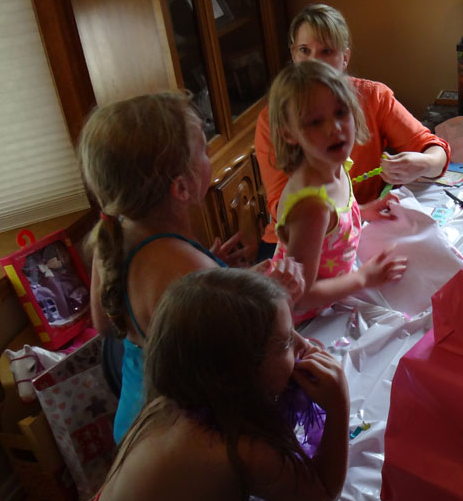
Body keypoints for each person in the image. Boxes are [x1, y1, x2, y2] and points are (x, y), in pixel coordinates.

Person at [78, 91, 304, 443]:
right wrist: (278, 296)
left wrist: (224, 278)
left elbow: (106, 324)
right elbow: (244, 358)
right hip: (177, 437)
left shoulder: (115, 231)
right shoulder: (184, 267)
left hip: (135, 423)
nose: (209, 155)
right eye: (203, 150)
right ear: (181, 188)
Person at [79, 268, 349, 501]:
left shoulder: (173, 400)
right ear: (237, 373)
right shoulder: (236, 449)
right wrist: (338, 403)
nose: (304, 345)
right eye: (285, 342)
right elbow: (324, 491)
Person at [255, 3, 450, 259]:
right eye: (304, 50)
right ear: (293, 54)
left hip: (360, 227)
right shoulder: (273, 120)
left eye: (326, 51)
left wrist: (423, 163)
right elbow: (286, 213)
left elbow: (435, 150)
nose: (314, 62)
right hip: (303, 242)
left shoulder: (374, 98)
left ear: (345, 58)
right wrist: (353, 219)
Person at [268, 60, 407, 320]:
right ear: (289, 133)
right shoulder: (312, 207)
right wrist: (363, 278)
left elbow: (332, 226)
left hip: (330, 302)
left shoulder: (333, 164)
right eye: (315, 122)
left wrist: (362, 211)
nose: (334, 128)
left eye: (341, 112)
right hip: (299, 321)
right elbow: (300, 296)